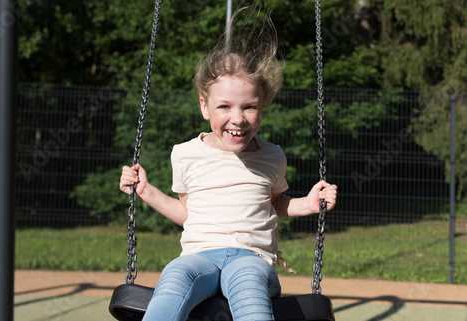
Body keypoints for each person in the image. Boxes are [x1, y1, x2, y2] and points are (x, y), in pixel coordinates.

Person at [119, 6, 337, 321]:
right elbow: (188, 213)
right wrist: (146, 191)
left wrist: (309, 204)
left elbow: (272, 204)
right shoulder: (185, 153)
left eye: (250, 107)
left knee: (249, 285)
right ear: (204, 107)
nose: (238, 119)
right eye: (224, 106)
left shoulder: (271, 156)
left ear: (263, 107)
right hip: (199, 257)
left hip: (252, 258)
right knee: (175, 277)